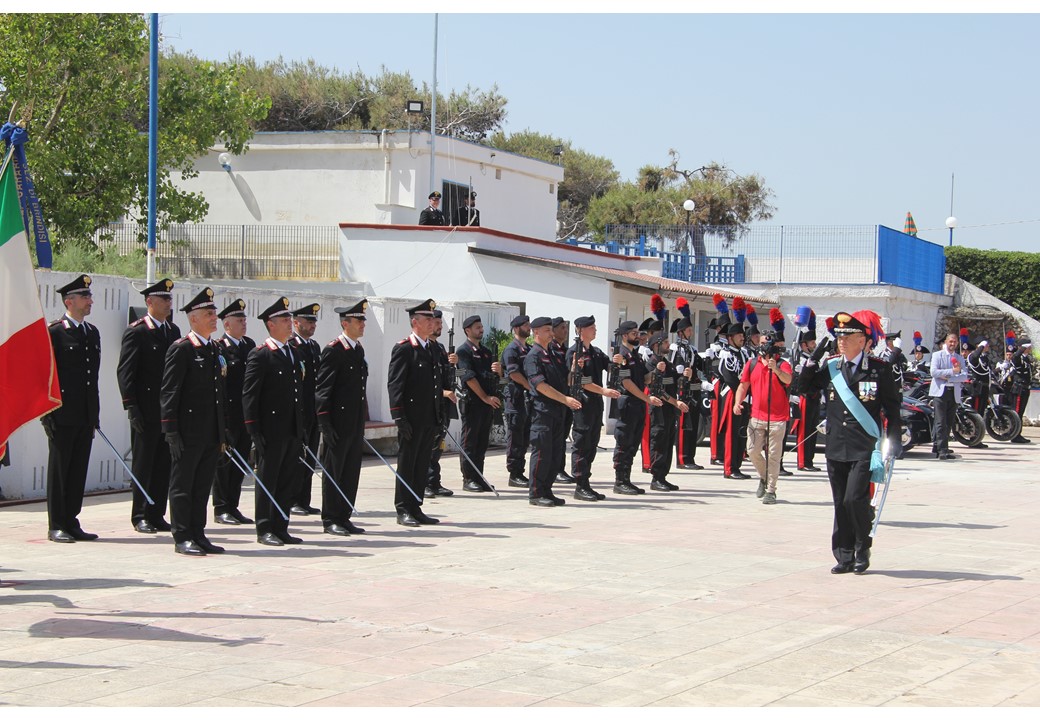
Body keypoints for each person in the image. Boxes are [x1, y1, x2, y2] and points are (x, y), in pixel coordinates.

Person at [798, 310, 902, 575]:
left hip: (864, 446)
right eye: (839, 336)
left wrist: (894, 440)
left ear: (862, 340)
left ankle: (861, 546)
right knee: (839, 502)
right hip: (835, 445)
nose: (841, 341)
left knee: (854, 499)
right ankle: (844, 555)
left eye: (848, 336)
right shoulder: (832, 367)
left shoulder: (879, 369)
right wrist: (811, 362)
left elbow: (891, 407)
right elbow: (802, 389)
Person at [160, 288, 227, 556]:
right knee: (182, 486)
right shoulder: (182, 349)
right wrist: (171, 431)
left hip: (210, 432)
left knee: (201, 486)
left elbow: (219, 396)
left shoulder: (214, 348)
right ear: (193, 319)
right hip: (187, 432)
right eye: (209, 314)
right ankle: (183, 535)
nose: (214, 318)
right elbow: (169, 392)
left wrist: (222, 432)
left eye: (214, 313)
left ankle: (199, 533)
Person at [117, 277, 180, 534]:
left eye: (169, 299)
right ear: (149, 301)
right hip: (145, 409)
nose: (168, 303)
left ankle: (157, 513)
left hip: (167, 411)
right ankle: (140, 513)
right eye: (163, 299)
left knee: (163, 463)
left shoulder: (172, 332)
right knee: (143, 463)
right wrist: (131, 406)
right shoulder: (137, 331)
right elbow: (126, 372)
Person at [41, 274, 101, 543]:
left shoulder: (91, 332)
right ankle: (56, 523)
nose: (90, 301)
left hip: (85, 413)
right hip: (61, 414)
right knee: (60, 470)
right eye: (84, 296)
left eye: (89, 296)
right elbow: (45, 375)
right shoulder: (54, 332)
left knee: (78, 469)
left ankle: (72, 520)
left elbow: (92, 377)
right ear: (69, 301)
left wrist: (94, 414)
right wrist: (47, 414)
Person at [243, 297, 306, 546]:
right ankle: (265, 527)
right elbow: (250, 395)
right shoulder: (261, 355)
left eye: (290, 319)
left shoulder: (292, 352)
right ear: (271, 324)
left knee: (287, 480)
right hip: (270, 429)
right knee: (268, 479)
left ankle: (281, 525)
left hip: (291, 429)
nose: (290, 324)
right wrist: (253, 429)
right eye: (284, 320)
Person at [387, 298, 444, 527]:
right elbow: (395, 385)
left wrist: (438, 415)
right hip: (411, 418)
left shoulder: (432, 349)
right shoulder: (404, 348)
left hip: (429, 417)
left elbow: (436, 385)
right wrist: (399, 417)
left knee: (422, 463)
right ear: (415, 322)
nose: (432, 323)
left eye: (433, 319)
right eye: (427, 319)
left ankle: (416, 505)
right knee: (408, 463)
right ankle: (403, 508)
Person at [316, 299, 369, 536]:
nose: (363, 325)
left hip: (354, 423)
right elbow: (323, 390)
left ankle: (344, 515)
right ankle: (330, 518)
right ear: (345, 323)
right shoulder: (334, 350)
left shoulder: (358, 350)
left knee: (350, 471)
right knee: (334, 471)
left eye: (363, 321)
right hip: (337, 423)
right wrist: (325, 423)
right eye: (359, 321)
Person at [524, 317, 583, 506]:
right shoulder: (533, 356)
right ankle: (536, 493)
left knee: (555, 453)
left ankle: (547, 490)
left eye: (551, 329)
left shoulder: (554, 354)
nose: (551, 333)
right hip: (543, 412)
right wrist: (565, 399)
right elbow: (540, 385)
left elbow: (566, 380)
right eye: (547, 330)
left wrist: (574, 369)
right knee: (542, 453)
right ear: (536, 333)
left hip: (558, 411)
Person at [733, 330, 793, 504]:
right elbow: (743, 386)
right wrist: (738, 402)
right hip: (757, 416)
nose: (761, 347)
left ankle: (771, 490)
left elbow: (788, 380)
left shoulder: (783, 363)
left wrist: (776, 369)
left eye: (764, 344)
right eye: (759, 344)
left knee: (774, 455)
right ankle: (764, 476)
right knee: (752, 450)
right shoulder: (752, 363)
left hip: (778, 417)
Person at [565, 316, 620, 501]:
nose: (595, 330)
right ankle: (580, 485)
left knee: (592, 444)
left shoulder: (595, 352)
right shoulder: (574, 353)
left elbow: (609, 366)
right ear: (581, 330)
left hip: (595, 404)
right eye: (592, 327)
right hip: (582, 404)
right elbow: (578, 380)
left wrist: (618, 361)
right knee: (581, 444)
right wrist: (603, 390)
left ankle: (586, 483)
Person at [213, 298, 255, 526]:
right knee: (225, 464)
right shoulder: (219, 348)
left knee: (240, 465)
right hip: (228, 416)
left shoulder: (249, 346)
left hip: (245, 415)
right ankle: (221, 508)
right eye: (239, 320)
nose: (244, 324)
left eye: (244, 320)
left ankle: (233, 506)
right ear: (227, 325)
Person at [612, 321, 664, 494]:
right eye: (634, 333)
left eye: (637, 333)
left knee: (633, 443)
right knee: (624, 442)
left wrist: (656, 370)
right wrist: (647, 398)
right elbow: (626, 383)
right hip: (628, 403)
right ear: (625, 335)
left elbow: (644, 379)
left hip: (638, 403)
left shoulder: (635, 355)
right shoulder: (622, 355)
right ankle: (620, 481)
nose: (638, 336)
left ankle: (627, 479)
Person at [454, 315, 502, 494]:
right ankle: (468, 479)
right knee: (470, 441)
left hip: (487, 403)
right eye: (477, 327)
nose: (481, 330)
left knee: (482, 442)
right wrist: (484, 398)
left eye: (481, 327)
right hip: (474, 403)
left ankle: (478, 477)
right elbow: (469, 378)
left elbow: (494, 377)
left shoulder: (487, 352)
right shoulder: (463, 352)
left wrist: (499, 370)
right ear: (468, 330)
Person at [288, 304, 322, 516]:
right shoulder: (292, 346)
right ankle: (292, 499)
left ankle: (304, 499)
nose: (312, 325)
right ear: (296, 322)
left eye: (314, 322)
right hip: (298, 411)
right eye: (308, 321)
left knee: (309, 457)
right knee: (296, 457)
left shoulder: (314, 347)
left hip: (313, 411)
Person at [645, 332, 690, 492]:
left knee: (668, 443)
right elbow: (656, 389)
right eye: (664, 342)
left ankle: (663, 476)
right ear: (656, 345)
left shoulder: (667, 363)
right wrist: (675, 402)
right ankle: (656, 477)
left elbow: (674, 381)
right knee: (658, 442)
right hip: (659, 409)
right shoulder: (651, 363)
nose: (668, 345)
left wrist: (684, 377)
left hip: (670, 410)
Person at [424, 310, 462, 496]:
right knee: (428, 447)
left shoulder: (439, 349)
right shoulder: (423, 348)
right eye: (436, 322)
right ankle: (424, 483)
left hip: (442, 407)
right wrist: (442, 392)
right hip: (429, 406)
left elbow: (446, 376)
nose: (439, 326)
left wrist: (453, 362)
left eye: (440, 323)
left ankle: (434, 481)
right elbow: (420, 382)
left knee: (438, 446)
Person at [670, 313, 704, 471]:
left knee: (693, 424)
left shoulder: (692, 349)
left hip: (692, 390)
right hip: (681, 390)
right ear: (680, 332)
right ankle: (682, 459)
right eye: (688, 330)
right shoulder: (674, 348)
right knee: (684, 425)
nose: (691, 332)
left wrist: (695, 378)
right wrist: (681, 376)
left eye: (691, 330)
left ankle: (691, 456)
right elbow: (671, 371)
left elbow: (697, 369)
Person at [501, 315, 533, 488]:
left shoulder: (528, 349)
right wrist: (530, 386)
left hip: (527, 400)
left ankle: (520, 471)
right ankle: (514, 474)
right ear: (516, 329)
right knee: (515, 438)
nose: (528, 328)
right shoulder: (511, 349)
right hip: (515, 399)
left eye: (528, 325)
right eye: (525, 325)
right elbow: (513, 374)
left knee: (524, 438)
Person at [718, 322, 750, 480]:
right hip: (732, 395)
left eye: (742, 335)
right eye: (739, 335)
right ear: (730, 338)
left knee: (741, 432)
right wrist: (742, 391)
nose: (742, 338)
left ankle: (737, 465)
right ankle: (730, 468)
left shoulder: (744, 354)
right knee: (732, 432)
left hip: (744, 395)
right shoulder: (726, 354)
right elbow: (729, 377)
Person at [929, 332, 968, 460]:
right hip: (941, 392)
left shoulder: (959, 358)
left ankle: (939, 446)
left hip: (954, 391)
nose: (952, 344)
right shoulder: (937, 355)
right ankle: (942, 450)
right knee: (940, 421)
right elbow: (934, 372)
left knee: (949, 422)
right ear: (946, 342)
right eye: (950, 341)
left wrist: (948, 376)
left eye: (955, 342)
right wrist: (952, 372)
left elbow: (964, 376)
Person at [790, 327, 824, 472]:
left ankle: (809, 460)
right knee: (804, 430)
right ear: (804, 345)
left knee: (812, 430)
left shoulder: (812, 360)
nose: (814, 344)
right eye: (811, 342)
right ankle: (803, 462)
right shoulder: (800, 360)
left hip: (814, 397)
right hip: (804, 397)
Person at [550, 317, 576, 485]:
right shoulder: (550, 350)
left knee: (563, 436)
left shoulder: (564, 350)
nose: (565, 331)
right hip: (555, 399)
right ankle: (555, 469)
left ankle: (560, 468)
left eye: (566, 328)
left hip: (566, 398)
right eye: (561, 328)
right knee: (554, 438)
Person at [1008, 337, 1034, 442]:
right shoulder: (1018, 358)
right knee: (1017, 412)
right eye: (1028, 346)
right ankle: (1014, 435)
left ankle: (1018, 433)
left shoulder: (1026, 358)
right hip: (1019, 388)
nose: (1030, 348)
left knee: (1021, 412)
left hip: (1025, 388)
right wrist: (1022, 348)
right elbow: (1015, 358)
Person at [966, 337, 993, 419]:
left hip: (984, 386)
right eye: (985, 345)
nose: (987, 346)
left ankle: (980, 428)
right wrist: (981, 347)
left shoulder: (984, 357)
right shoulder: (973, 356)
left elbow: (988, 371)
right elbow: (974, 358)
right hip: (977, 387)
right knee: (976, 410)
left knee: (981, 410)